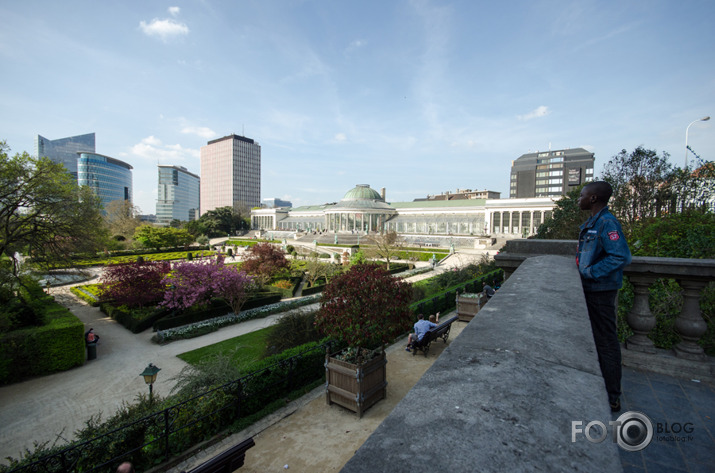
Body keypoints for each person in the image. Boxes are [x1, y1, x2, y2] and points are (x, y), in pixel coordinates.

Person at [576, 181, 632, 413]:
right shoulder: (593, 222)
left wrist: (590, 273)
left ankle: (612, 396)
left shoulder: (607, 222)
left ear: (593, 199)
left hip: (600, 291)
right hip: (594, 290)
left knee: (606, 342)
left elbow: (621, 256)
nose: (578, 198)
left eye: (581, 195)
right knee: (598, 341)